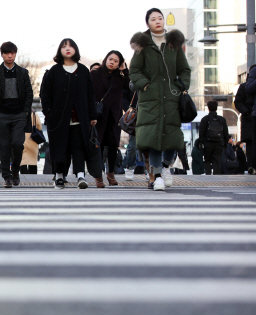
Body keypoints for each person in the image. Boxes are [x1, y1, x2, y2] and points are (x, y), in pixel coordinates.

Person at [129, 8, 191, 191]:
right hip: (150, 99)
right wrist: (145, 85)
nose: (157, 21)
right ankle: (156, 177)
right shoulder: (143, 45)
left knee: (172, 136)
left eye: (160, 18)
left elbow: (184, 70)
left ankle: (165, 167)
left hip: (172, 97)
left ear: (164, 21)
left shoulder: (174, 44)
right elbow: (134, 70)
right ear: (147, 23)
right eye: (153, 19)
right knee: (152, 139)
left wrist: (180, 86)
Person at [40, 38, 97, 190]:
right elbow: (45, 95)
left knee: (79, 147)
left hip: (80, 118)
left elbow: (91, 95)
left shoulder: (83, 70)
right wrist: (49, 113)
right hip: (58, 119)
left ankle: (80, 175)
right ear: (60, 50)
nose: (67, 48)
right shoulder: (54, 71)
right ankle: (59, 176)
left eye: (70, 46)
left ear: (75, 50)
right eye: (64, 46)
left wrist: (93, 116)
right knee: (60, 147)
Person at [0, 41, 34, 188]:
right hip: (2, 115)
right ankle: (7, 176)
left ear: (15, 54)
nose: (10, 55)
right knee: (4, 146)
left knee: (18, 144)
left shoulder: (22, 72)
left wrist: (25, 111)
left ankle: (16, 171)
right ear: (2, 54)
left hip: (19, 114)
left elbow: (29, 93)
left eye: (12, 53)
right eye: (7, 53)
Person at [90, 52, 130, 188]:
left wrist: (124, 69)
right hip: (99, 115)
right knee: (98, 145)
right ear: (105, 59)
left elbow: (130, 85)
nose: (112, 62)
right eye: (110, 59)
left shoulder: (120, 77)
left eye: (116, 61)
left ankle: (111, 173)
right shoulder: (94, 74)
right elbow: (89, 94)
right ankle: (98, 176)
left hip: (114, 115)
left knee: (113, 145)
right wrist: (91, 115)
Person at [199, 100, 229, 175]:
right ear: (216, 108)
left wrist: (201, 142)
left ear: (208, 108)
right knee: (217, 161)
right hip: (219, 143)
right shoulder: (222, 120)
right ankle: (216, 176)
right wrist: (225, 143)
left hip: (208, 143)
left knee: (207, 160)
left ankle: (208, 174)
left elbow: (201, 132)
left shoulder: (204, 119)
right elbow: (225, 133)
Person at [234, 67, 255, 170]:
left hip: (249, 118)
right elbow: (237, 102)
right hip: (249, 119)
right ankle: (251, 166)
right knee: (250, 144)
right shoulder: (244, 87)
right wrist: (246, 111)